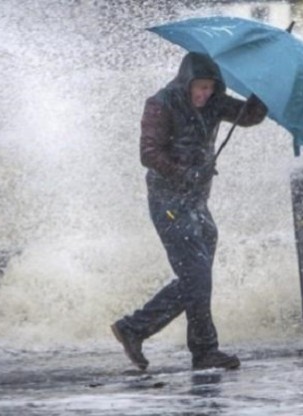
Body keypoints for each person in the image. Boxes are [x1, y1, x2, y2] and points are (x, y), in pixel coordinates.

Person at [111, 52, 267, 371]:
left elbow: (248, 116)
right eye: (200, 87)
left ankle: (136, 329)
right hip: (168, 202)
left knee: (197, 278)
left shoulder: (215, 102)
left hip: (197, 203)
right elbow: (148, 153)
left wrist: (260, 92)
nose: (204, 94)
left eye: (211, 88)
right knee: (197, 276)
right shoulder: (161, 103)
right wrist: (183, 173)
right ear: (186, 82)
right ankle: (201, 349)